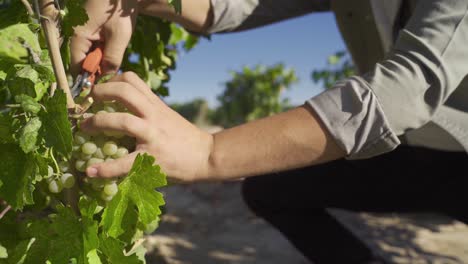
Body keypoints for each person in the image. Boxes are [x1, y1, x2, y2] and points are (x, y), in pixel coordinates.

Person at [72, 0, 468, 263]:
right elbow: (238, 4)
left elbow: (410, 86)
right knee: (271, 192)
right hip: (410, 151)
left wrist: (210, 151)